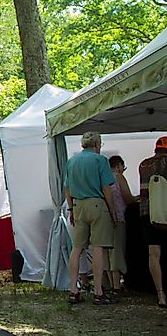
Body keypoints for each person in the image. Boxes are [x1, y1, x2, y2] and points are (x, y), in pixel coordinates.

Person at [65, 131, 118, 305]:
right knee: (97, 248)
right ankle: (98, 291)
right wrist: (112, 210)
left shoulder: (72, 161)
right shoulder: (100, 160)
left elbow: (67, 188)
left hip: (78, 205)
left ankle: (73, 290)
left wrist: (71, 208)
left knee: (77, 248)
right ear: (96, 144)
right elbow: (106, 188)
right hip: (97, 205)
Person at [139, 136, 167, 308]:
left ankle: (160, 294)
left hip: (147, 213)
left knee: (153, 254)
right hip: (166, 213)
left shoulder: (143, 164)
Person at [106, 155, 137, 293]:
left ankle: (110, 284)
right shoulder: (118, 177)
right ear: (118, 165)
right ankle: (117, 286)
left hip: (105, 218)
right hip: (118, 217)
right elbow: (127, 197)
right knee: (117, 251)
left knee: (107, 251)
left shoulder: (103, 178)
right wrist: (138, 197)